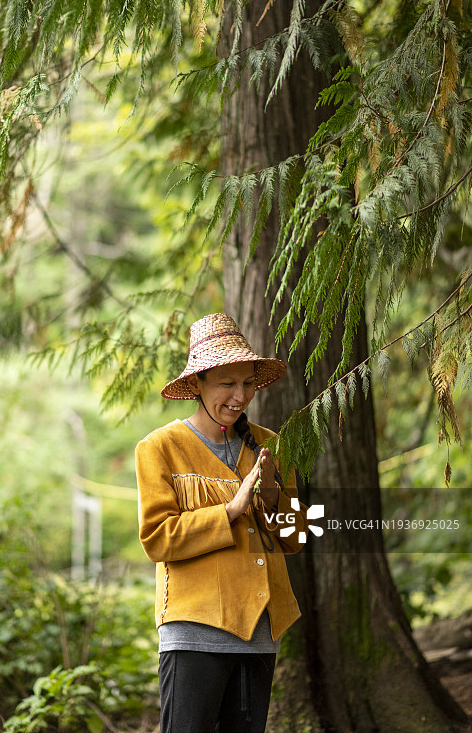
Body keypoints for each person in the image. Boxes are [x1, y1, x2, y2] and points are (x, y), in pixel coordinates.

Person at [135, 313, 308, 733]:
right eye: (227, 383)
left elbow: (297, 537)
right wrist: (230, 511)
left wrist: (270, 497)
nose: (239, 395)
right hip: (194, 632)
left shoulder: (270, 445)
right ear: (197, 384)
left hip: (262, 632)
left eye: (248, 383)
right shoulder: (160, 448)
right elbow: (157, 540)